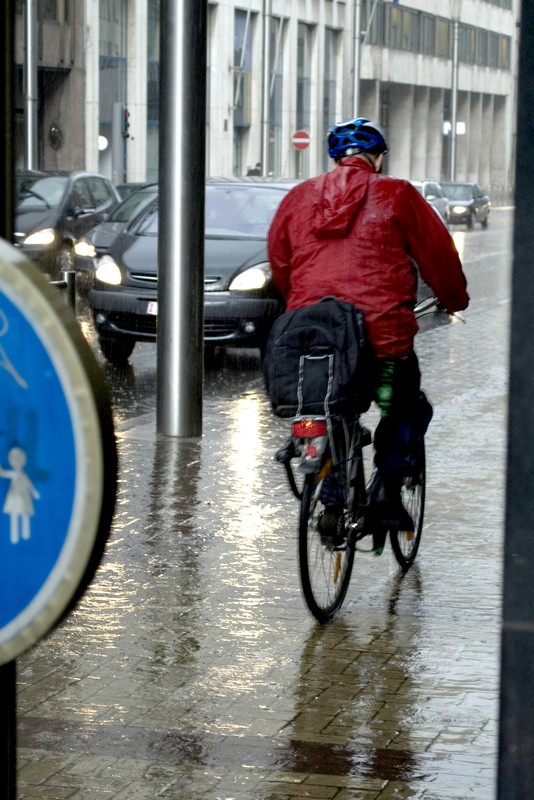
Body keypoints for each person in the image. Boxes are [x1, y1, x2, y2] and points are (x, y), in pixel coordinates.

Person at [267, 117, 469, 544]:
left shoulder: (298, 198)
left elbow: (280, 263)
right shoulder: (397, 194)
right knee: (403, 407)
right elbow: (438, 254)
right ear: (376, 159)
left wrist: (302, 304)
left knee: (333, 405)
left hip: (316, 332)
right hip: (383, 335)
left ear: (335, 158)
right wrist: (455, 299)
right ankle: (387, 496)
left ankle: (334, 489)